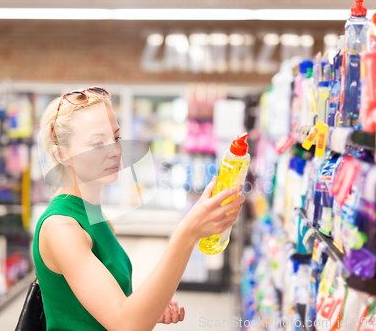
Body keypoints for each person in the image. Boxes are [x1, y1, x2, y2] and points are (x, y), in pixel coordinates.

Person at [33, 87, 245, 331]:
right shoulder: (61, 228)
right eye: (97, 143)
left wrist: (149, 308)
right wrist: (186, 234)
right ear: (61, 154)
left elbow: (115, 307)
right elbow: (125, 325)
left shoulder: (93, 215)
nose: (114, 151)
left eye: (116, 137)